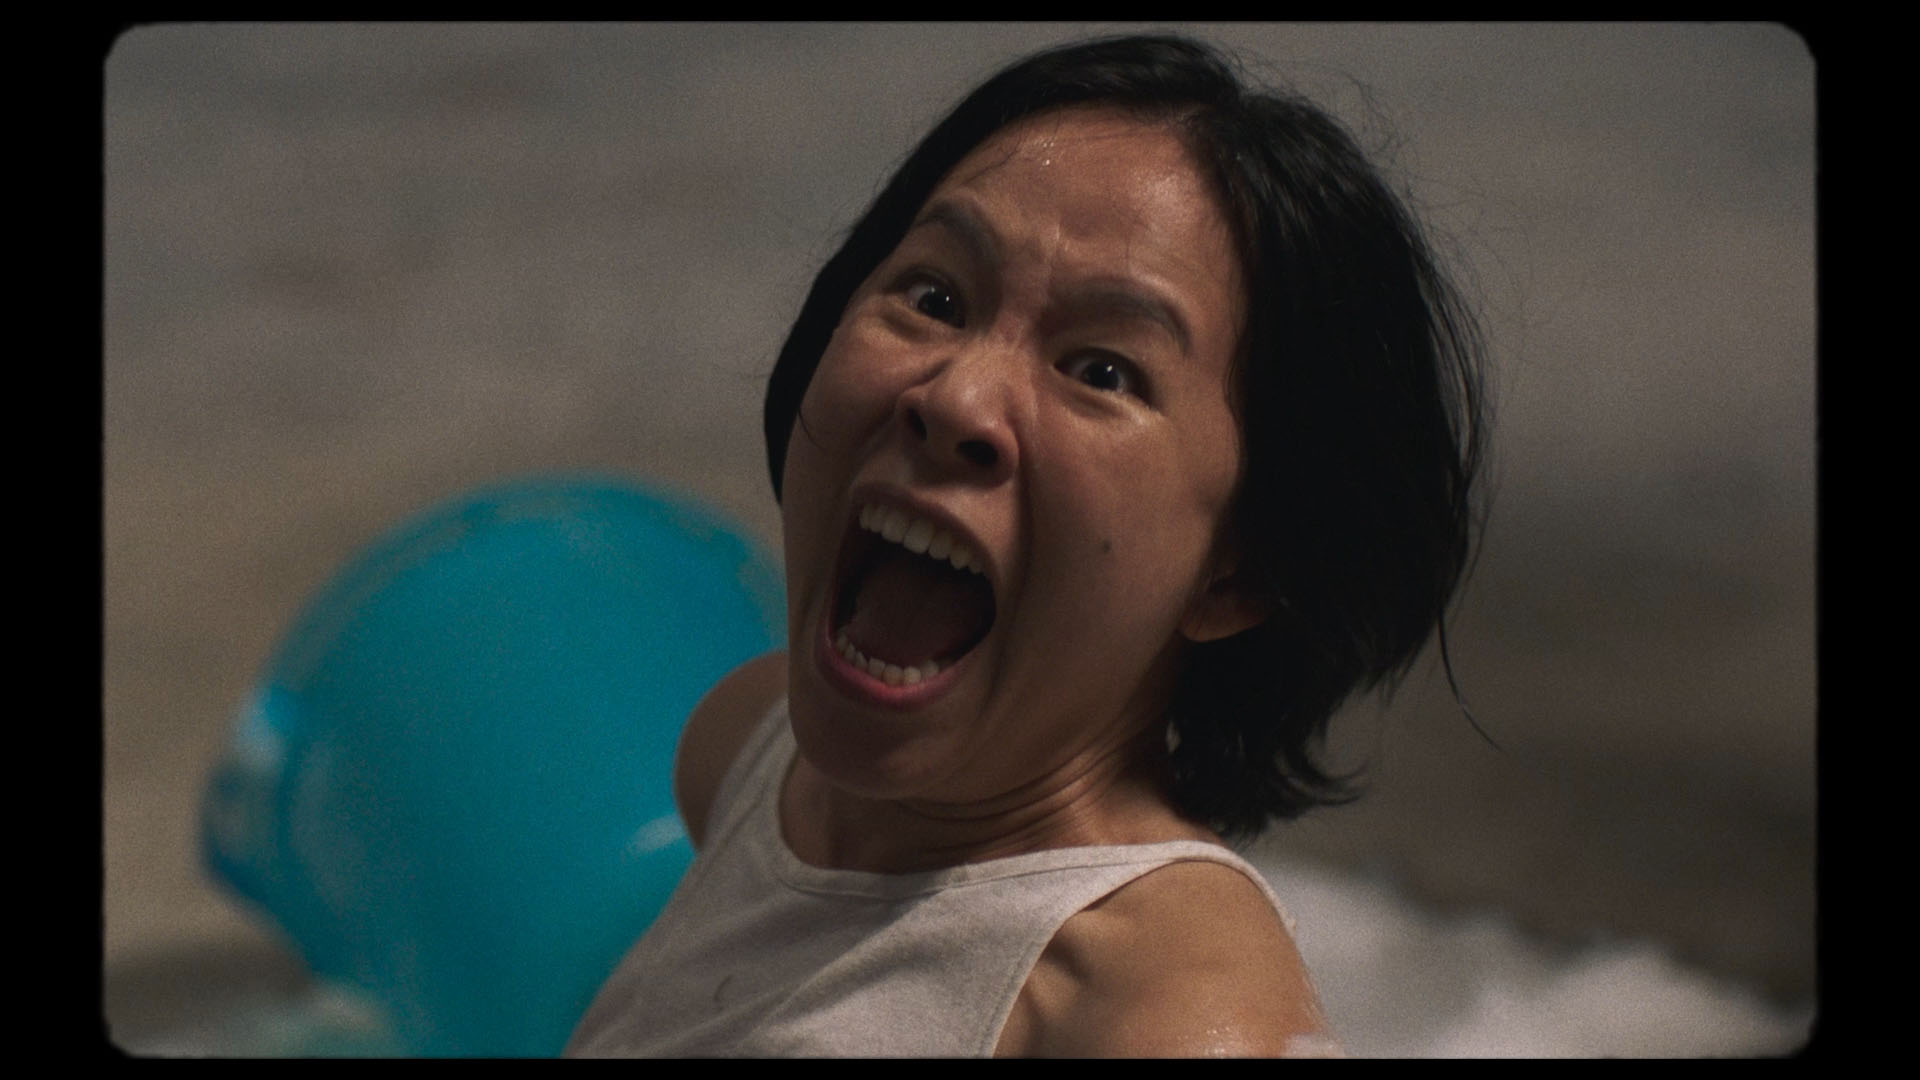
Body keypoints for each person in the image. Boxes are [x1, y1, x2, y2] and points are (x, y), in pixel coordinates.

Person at [566, 32, 1484, 1058]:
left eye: (1102, 372)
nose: (956, 397)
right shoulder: (749, 752)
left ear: (1241, 572)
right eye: (934, 298)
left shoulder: (1163, 1019)